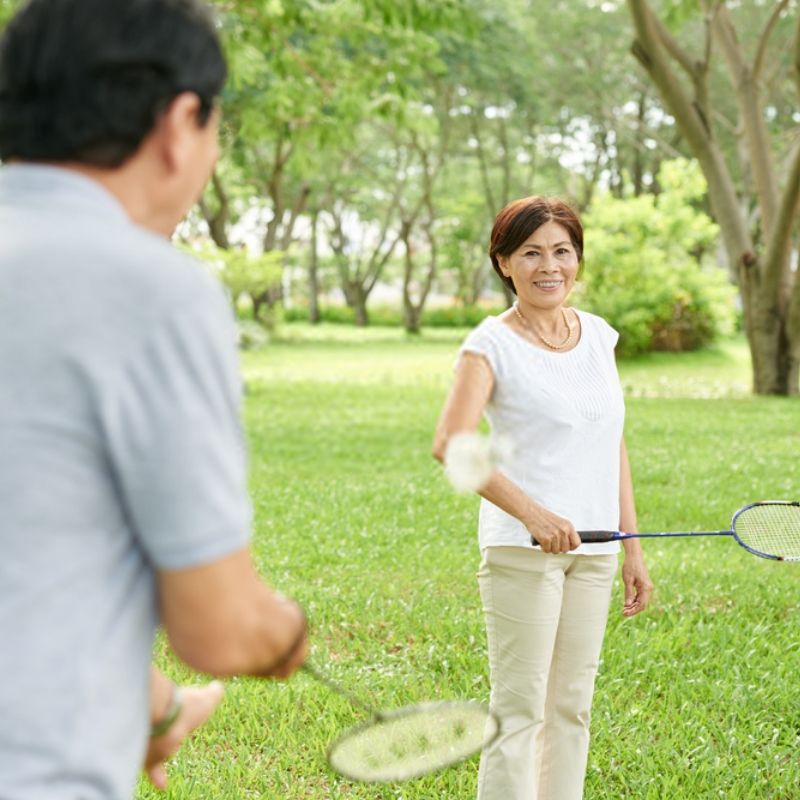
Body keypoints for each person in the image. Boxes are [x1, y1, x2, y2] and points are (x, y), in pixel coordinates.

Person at [0, 1, 308, 798]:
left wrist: (154, 705)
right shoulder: (147, 290)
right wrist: (281, 632)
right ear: (179, 123)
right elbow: (217, 626)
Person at [432, 196, 654, 800]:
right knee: (520, 709)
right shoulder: (490, 344)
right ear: (504, 262)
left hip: (596, 551)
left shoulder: (598, 337)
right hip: (523, 551)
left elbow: (613, 444)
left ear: (577, 259)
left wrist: (631, 546)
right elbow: (450, 444)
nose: (548, 265)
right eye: (531, 252)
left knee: (571, 709)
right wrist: (533, 514)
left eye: (561, 251)